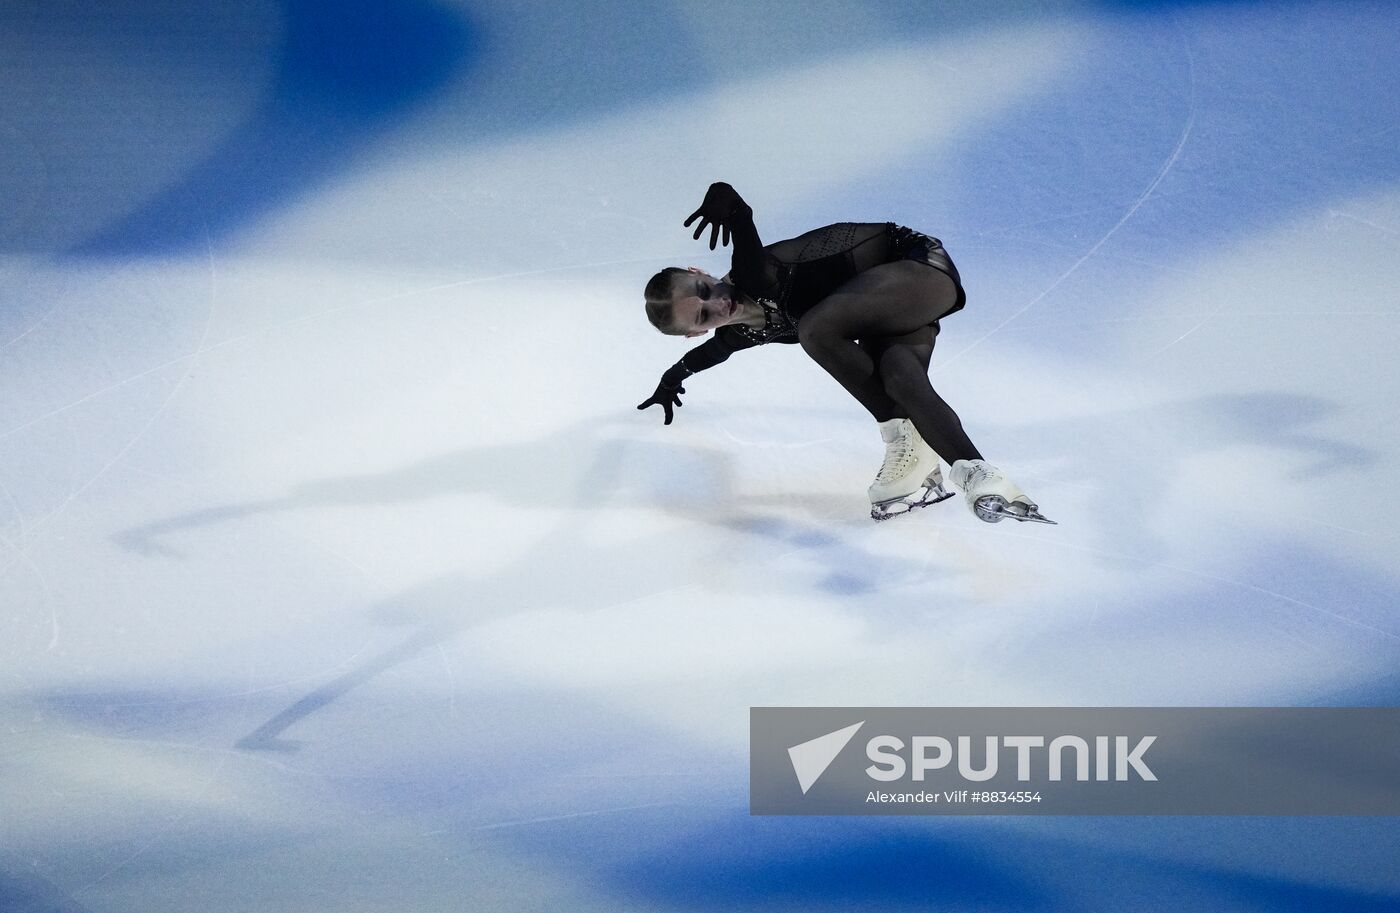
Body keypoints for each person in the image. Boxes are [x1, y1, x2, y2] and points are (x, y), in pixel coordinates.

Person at [637, 182, 1052, 524]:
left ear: (698, 272)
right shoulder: (740, 334)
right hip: (881, 310)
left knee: (815, 329)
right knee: (901, 379)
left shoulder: (750, 273)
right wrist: (670, 381)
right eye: (703, 316)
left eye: (705, 291)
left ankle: (900, 438)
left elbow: (735, 206)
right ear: (695, 332)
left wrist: (719, 199)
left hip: (915, 268)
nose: (717, 305)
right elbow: (705, 358)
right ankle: (977, 474)